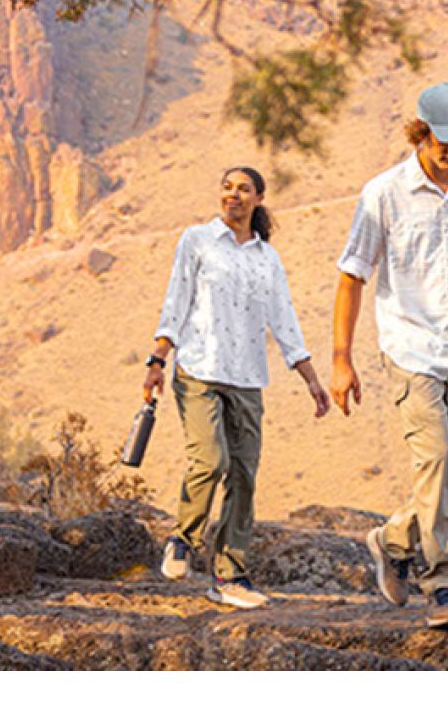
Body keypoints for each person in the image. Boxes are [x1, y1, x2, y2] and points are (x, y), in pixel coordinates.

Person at [331, 82, 448, 628]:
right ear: (421, 131)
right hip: (410, 348)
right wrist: (341, 358)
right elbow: (352, 276)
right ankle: (442, 584)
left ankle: (393, 538)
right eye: (444, 137)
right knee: (436, 459)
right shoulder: (384, 193)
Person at [144, 166, 331, 609]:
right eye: (226, 187)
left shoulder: (267, 259)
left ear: (258, 198)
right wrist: (157, 358)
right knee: (211, 459)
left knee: (244, 474)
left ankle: (230, 575)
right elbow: (177, 299)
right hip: (199, 368)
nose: (233, 195)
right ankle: (183, 539)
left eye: (243, 189)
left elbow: (284, 319)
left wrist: (311, 378)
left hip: (246, 377)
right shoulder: (197, 240)